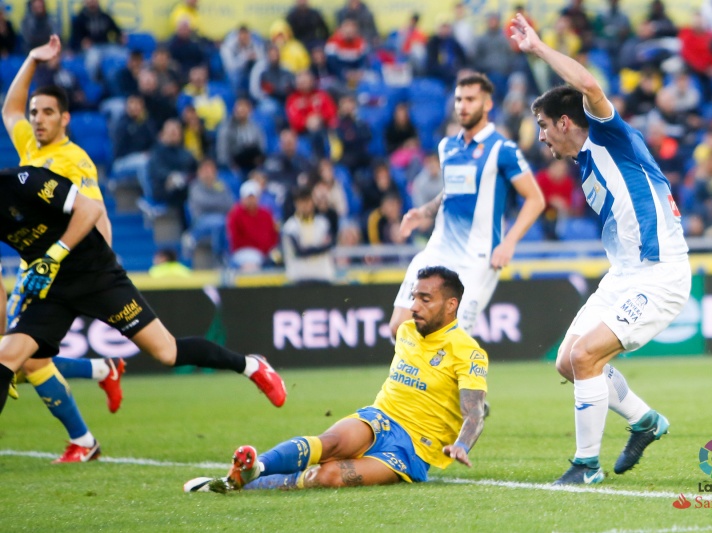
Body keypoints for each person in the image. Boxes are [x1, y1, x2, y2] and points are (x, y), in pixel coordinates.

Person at [510, 14, 691, 485]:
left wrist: (539, 50)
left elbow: (588, 83)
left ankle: (585, 466)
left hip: (660, 274)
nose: (542, 137)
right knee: (567, 362)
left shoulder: (611, 136)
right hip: (623, 275)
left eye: (544, 126)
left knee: (587, 357)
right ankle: (645, 421)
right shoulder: (585, 164)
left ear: (566, 121)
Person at [0, 165, 288, 420]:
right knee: (6, 358)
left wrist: (53, 255)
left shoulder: (25, 180)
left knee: (168, 352)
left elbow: (91, 210)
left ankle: (250, 365)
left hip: (98, 278)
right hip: (52, 290)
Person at [184, 266, 487, 493]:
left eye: (425, 299)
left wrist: (462, 444)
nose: (415, 306)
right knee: (329, 444)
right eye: (414, 298)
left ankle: (245, 485)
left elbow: (475, 413)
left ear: (451, 305)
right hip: (380, 418)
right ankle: (256, 467)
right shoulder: (406, 330)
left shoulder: (468, 352)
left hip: (412, 450)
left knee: (327, 476)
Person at [1, 35, 123, 462]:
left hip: (59, 271)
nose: (35, 119)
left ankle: (84, 440)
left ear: (65, 119)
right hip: (31, 267)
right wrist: (32, 59)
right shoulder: (31, 148)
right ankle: (99, 375)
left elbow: (96, 214)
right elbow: (8, 109)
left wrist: (100, 268)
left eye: (46, 112)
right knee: (20, 356)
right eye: (35, 113)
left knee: (19, 357)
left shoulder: (75, 160)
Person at [389, 73, 545, 338]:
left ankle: (460, 380)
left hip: (478, 259)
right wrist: (423, 211)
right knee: (400, 328)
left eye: (471, 99)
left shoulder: (502, 149)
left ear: (487, 104)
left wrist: (508, 243)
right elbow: (451, 192)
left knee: (451, 339)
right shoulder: (446, 146)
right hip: (438, 248)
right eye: (459, 99)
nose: (463, 105)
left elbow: (535, 199)